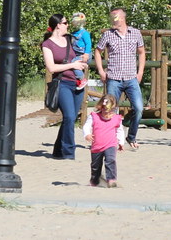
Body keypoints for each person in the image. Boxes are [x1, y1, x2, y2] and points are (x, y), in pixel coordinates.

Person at [95, 8, 146, 150]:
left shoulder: (135, 33)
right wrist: (100, 70)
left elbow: (141, 53)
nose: (112, 21)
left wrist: (140, 71)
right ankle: (112, 139)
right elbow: (98, 51)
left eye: (114, 18)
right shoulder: (108, 35)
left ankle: (131, 136)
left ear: (122, 18)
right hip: (114, 78)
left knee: (139, 108)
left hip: (131, 78)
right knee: (110, 109)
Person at [42, 13, 88, 160]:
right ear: (58, 25)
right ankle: (68, 152)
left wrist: (83, 60)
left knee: (71, 118)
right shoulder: (47, 44)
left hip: (78, 83)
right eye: (66, 22)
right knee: (68, 116)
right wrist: (72, 65)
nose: (68, 25)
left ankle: (57, 150)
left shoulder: (71, 39)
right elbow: (51, 68)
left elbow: (82, 52)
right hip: (62, 83)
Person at [83, 93, 123, 187]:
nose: (107, 113)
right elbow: (86, 126)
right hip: (97, 146)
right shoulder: (94, 116)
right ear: (100, 107)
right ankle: (95, 180)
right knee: (95, 165)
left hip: (111, 144)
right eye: (105, 110)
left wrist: (121, 142)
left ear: (114, 109)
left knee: (110, 160)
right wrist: (87, 134)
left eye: (110, 111)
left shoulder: (116, 119)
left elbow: (120, 130)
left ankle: (111, 179)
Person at [69, 12, 93, 90]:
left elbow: (88, 44)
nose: (76, 25)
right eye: (75, 23)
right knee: (72, 62)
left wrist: (86, 54)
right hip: (78, 55)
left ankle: (82, 79)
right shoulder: (73, 33)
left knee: (74, 63)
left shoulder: (85, 33)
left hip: (84, 55)